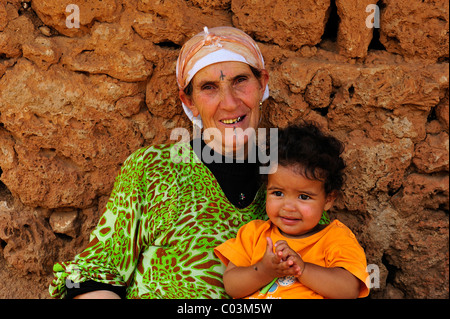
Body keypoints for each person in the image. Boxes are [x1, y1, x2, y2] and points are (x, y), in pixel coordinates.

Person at [48, 26, 272, 299]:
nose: (229, 102)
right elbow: (94, 272)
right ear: (188, 101)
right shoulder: (153, 168)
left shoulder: (290, 176)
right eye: (209, 87)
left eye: (240, 81)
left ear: (262, 83)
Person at [214, 122, 370, 299]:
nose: (288, 207)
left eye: (303, 196)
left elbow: (348, 291)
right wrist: (264, 271)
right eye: (278, 193)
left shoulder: (336, 239)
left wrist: (302, 269)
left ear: (328, 199)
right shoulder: (254, 234)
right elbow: (232, 286)